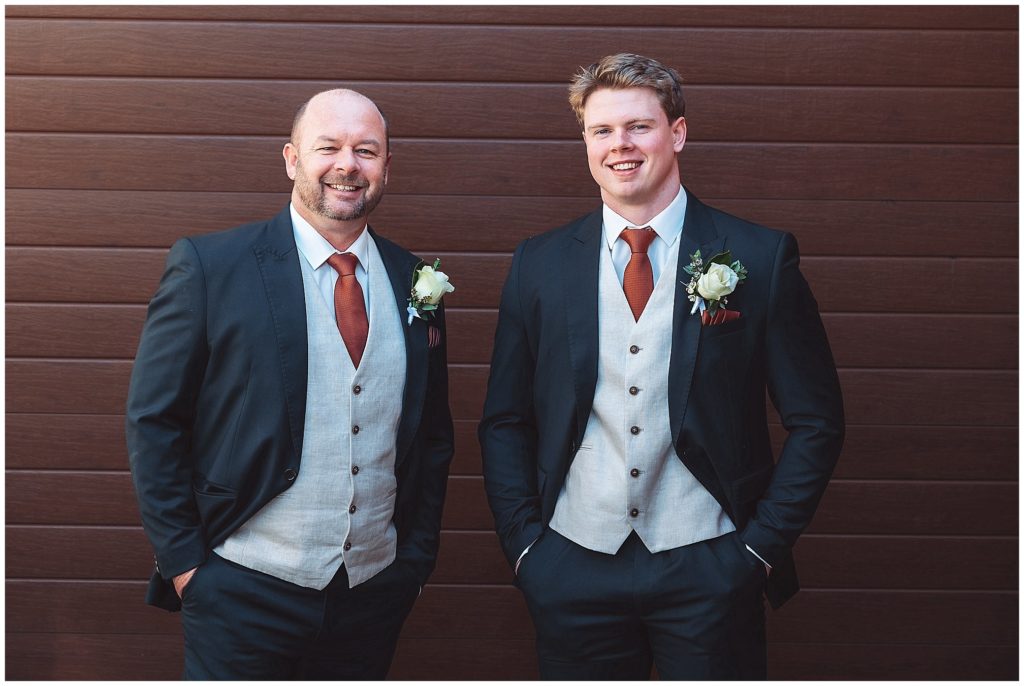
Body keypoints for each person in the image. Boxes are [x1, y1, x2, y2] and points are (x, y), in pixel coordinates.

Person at [479, 53, 844, 680]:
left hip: (708, 563)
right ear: (586, 143)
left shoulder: (759, 255)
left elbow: (817, 420)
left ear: (676, 133)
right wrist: (527, 550)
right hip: (573, 562)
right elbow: (504, 420)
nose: (620, 145)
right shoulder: (537, 264)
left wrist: (756, 550)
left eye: (638, 127)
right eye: (601, 130)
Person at [126, 88, 455, 680]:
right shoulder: (211, 266)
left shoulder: (417, 280)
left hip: (372, 593)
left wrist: (414, 560)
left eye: (366, 150)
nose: (347, 165)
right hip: (242, 588)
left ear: (385, 167)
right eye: (327, 146)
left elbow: (432, 436)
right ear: (291, 159)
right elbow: (155, 421)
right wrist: (187, 566)